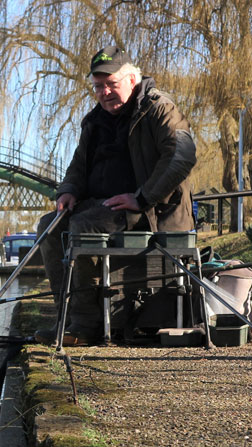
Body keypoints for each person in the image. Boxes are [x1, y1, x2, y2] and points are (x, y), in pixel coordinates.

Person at [35, 45, 197, 346]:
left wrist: (143, 196)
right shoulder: (93, 121)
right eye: (99, 86)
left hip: (149, 209)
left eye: (112, 84)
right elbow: (77, 165)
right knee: (49, 225)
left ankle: (86, 326)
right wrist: (68, 190)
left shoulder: (159, 108)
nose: (105, 92)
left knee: (83, 229)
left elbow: (182, 155)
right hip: (100, 206)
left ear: (132, 80)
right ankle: (67, 320)